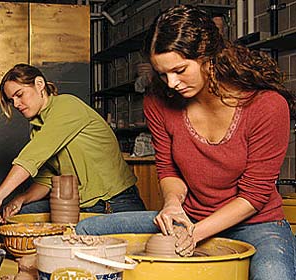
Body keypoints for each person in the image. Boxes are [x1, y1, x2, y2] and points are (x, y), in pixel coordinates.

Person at [75, 5, 296, 280]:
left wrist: (196, 234)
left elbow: (254, 196)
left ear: (208, 55)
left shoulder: (266, 105)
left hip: (256, 223)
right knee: (85, 231)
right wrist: (172, 205)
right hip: (188, 217)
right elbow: (168, 170)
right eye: (162, 73)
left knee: (273, 276)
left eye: (179, 70)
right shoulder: (158, 104)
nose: (171, 83)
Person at [0, 63, 146, 226]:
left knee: (79, 236)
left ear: (40, 84)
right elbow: (47, 180)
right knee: (11, 220)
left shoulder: (67, 106)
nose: (17, 104)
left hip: (114, 203)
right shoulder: (38, 129)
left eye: (19, 95)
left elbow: (30, 158)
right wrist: (20, 199)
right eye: (12, 101)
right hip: (81, 205)